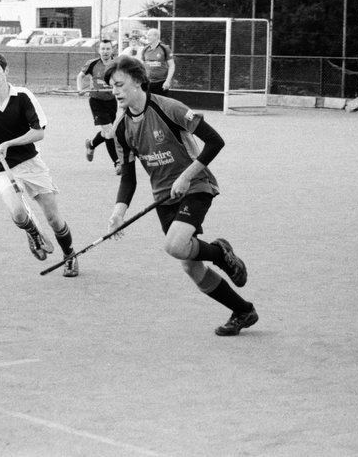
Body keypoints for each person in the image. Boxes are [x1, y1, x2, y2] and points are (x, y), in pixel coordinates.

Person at [104, 55, 257, 336]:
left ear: (137, 81)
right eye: (111, 87)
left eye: (119, 84)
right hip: (164, 197)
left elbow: (215, 141)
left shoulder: (168, 108)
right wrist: (118, 213)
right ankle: (243, 311)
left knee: (175, 246)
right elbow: (128, 178)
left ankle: (221, 253)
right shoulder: (122, 129)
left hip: (196, 185)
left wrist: (186, 176)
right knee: (190, 265)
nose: (114, 92)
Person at [0, 52, 80, 277]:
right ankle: (33, 233)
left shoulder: (23, 96)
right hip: (0, 167)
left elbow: (38, 133)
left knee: (54, 219)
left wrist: (8, 143)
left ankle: (70, 255)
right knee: (18, 213)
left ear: (6, 71)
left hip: (31, 163)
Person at [77, 39, 121, 175]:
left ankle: (91, 145)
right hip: (96, 101)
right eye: (103, 49)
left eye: (108, 49)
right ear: (99, 50)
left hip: (111, 101)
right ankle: (117, 163)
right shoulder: (92, 64)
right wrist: (80, 89)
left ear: (112, 50)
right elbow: (80, 76)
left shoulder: (117, 64)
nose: (105, 51)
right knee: (109, 132)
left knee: (107, 131)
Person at [139, 28, 175, 96]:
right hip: (148, 82)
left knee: (160, 104)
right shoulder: (145, 49)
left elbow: (172, 66)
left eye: (149, 35)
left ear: (156, 36)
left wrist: (167, 81)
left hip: (161, 83)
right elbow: (142, 65)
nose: (147, 37)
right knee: (148, 104)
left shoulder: (165, 48)